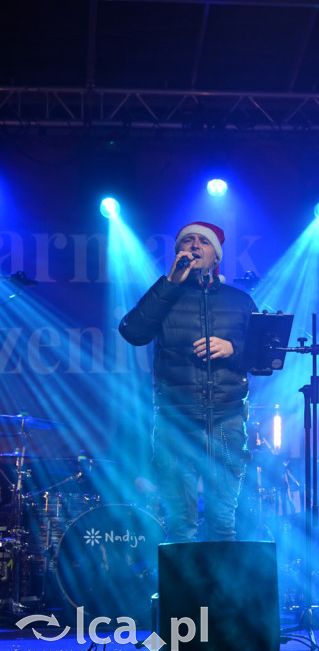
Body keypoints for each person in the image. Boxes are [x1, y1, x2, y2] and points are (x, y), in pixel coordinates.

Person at [119, 221, 257, 542]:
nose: (193, 247)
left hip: (226, 418)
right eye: (186, 241)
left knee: (223, 522)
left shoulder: (240, 301)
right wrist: (169, 283)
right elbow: (132, 331)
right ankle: (183, 593)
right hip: (175, 421)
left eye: (202, 242)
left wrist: (233, 348)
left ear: (215, 256)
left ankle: (222, 593)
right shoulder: (164, 295)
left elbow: (265, 357)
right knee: (181, 524)